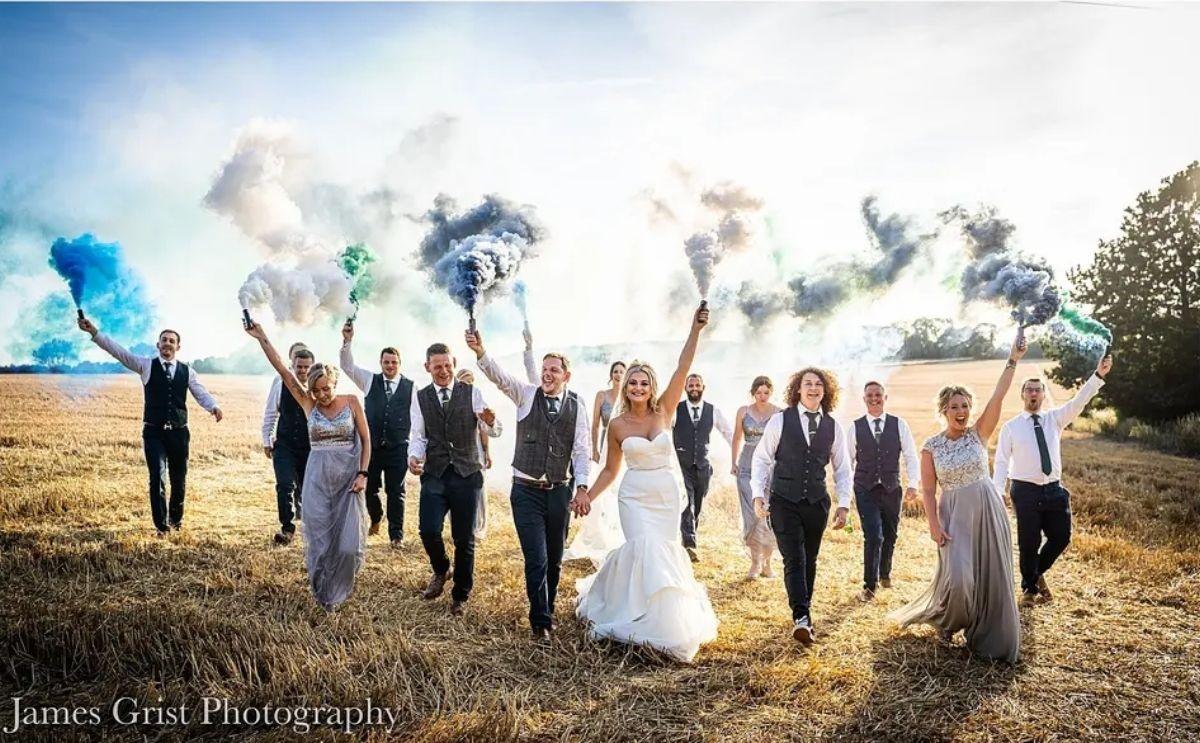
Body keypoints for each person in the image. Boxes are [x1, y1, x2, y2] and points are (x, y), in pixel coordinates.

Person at [572, 305, 718, 663]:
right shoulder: (618, 425)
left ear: (651, 386)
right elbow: (609, 469)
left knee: (664, 550)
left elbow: (683, 368)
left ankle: (665, 621)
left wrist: (695, 330)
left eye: (644, 382)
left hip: (666, 494)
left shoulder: (664, 410)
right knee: (644, 547)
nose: (638, 387)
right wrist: (587, 496)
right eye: (633, 382)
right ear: (626, 388)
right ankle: (634, 615)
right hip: (634, 497)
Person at [888, 329, 1026, 664]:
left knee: (992, 577)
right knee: (961, 578)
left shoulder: (979, 434)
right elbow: (929, 490)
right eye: (954, 407)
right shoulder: (931, 447)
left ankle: (987, 638)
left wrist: (1012, 359)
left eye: (965, 405)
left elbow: (998, 396)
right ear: (944, 411)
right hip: (953, 515)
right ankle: (949, 622)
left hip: (987, 509)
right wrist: (934, 526)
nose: (961, 411)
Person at [467, 328, 592, 640]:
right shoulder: (525, 393)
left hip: (560, 492)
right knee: (536, 558)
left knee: (555, 559)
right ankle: (540, 624)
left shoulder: (577, 406)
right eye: (544, 369)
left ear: (566, 375)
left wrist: (582, 487)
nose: (547, 374)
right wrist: (481, 352)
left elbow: (581, 449)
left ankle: (546, 610)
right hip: (525, 491)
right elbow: (500, 377)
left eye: (554, 370)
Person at [244, 321, 371, 611]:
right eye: (316, 390)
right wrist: (262, 337)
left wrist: (363, 473)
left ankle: (342, 584)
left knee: (348, 545)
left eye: (326, 388)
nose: (323, 394)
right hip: (317, 478)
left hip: (349, 479)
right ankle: (325, 593)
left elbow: (365, 440)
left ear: (334, 383)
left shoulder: (351, 402)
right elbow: (283, 370)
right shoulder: (308, 404)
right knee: (321, 541)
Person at [78, 317, 222, 535]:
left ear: (178, 347)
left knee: (179, 479)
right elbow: (119, 353)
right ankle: (162, 526)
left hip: (179, 433)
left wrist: (213, 406)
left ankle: (176, 521)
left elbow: (200, 392)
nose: (167, 343)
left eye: (172, 341)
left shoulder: (188, 371)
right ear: (158, 344)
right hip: (153, 433)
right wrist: (95, 333)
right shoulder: (145, 365)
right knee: (157, 478)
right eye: (164, 340)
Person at [994, 352, 1113, 604]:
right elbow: (1002, 460)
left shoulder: (1054, 420)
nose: (1034, 393)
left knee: (1061, 536)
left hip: (1054, 490)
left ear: (1044, 395)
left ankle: (1035, 573)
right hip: (1024, 490)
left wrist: (1098, 375)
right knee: (1029, 540)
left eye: (1038, 389)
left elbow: (1079, 401)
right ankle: (1029, 589)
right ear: (1023, 395)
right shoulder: (1011, 427)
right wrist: (998, 489)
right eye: (1029, 390)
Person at [751, 367, 852, 645]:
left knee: (809, 559)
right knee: (794, 558)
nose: (813, 388)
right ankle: (802, 618)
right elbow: (761, 459)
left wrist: (844, 504)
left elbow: (843, 468)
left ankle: (803, 612)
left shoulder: (833, 426)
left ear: (825, 390)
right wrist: (759, 495)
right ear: (798, 389)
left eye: (819, 384)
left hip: (817, 504)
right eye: (807, 383)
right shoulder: (779, 421)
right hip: (784, 501)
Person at [407, 342, 497, 617]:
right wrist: (413, 457)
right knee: (428, 530)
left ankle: (460, 595)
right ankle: (441, 568)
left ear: (454, 363)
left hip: (467, 474)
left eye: (448, 365)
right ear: (428, 368)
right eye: (438, 366)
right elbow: (418, 434)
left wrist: (491, 422)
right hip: (435, 474)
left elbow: (492, 429)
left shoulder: (472, 393)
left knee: (464, 538)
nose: (444, 371)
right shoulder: (420, 397)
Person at [340, 321, 414, 548]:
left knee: (396, 492)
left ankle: (396, 536)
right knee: (370, 488)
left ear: (400, 364)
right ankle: (376, 517)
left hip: (398, 447)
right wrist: (347, 341)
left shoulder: (412, 388)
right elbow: (347, 366)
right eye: (386, 362)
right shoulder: (370, 380)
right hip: (371, 447)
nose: (389, 366)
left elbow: (419, 420)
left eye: (393, 362)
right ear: (381, 363)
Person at [848, 380, 921, 602]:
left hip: (892, 488)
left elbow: (910, 455)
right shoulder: (855, 427)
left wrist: (913, 484)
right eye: (869, 395)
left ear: (885, 397)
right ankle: (869, 586)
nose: (874, 398)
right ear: (864, 399)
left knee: (890, 534)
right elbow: (847, 461)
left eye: (878, 394)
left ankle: (885, 574)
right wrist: (847, 492)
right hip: (865, 489)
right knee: (873, 536)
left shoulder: (899, 425)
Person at [673, 373, 735, 562]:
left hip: (703, 466)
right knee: (687, 504)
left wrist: (737, 457)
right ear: (685, 388)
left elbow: (728, 432)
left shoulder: (713, 410)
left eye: (697, 385)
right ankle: (690, 545)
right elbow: (665, 430)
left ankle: (688, 537)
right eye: (690, 385)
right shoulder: (676, 409)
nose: (694, 388)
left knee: (696, 505)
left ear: (703, 388)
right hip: (681, 465)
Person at [729, 375, 781, 580]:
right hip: (746, 466)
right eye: (758, 392)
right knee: (751, 514)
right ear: (753, 393)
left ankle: (767, 564)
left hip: (770, 467)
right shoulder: (743, 411)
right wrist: (733, 462)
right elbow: (736, 437)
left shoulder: (778, 413)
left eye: (766, 392)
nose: (762, 396)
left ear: (771, 393)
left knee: (767, 514)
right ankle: (754, 562)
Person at [262, 345, 315, 544]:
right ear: (292, 365)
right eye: (299, 367)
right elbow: (270, 412)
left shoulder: (317, 386)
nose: (303, 371)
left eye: (306, 367)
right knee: (284, 485)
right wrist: (266, 440)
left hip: (310, 447)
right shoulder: (280, 382)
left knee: (307, 488)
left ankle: (311, 528)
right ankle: (287, 528)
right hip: (284, 444)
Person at [455, 368, 504, 540]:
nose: (467, 386)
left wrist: (487, 452)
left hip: (475, 453)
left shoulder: (476, 399)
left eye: (469, 383)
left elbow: (484, 428)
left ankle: (476, 527)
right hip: (456, 453)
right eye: (463, 383)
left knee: (478, 490)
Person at [592, 361, 627, 463]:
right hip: (606, 443)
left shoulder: (630, 397)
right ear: (611, 375)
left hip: (625, 443)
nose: (618, 374)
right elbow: (595, 425)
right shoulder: (601, 395)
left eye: (621, 372)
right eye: (615, 371)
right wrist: (595, 450)